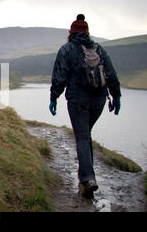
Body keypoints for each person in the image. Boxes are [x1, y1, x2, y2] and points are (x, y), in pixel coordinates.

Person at [49, 14, 121, 197]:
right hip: (99, 100)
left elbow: (60, 76)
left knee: (82, 137)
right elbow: (111, 74)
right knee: (85, 135)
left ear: (71, 33)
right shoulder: (99, 50)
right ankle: (86, 177)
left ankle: (88, 179)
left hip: (77, 100)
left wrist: (53, 98)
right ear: (87, 32)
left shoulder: (66, 50)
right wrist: (116, 96)